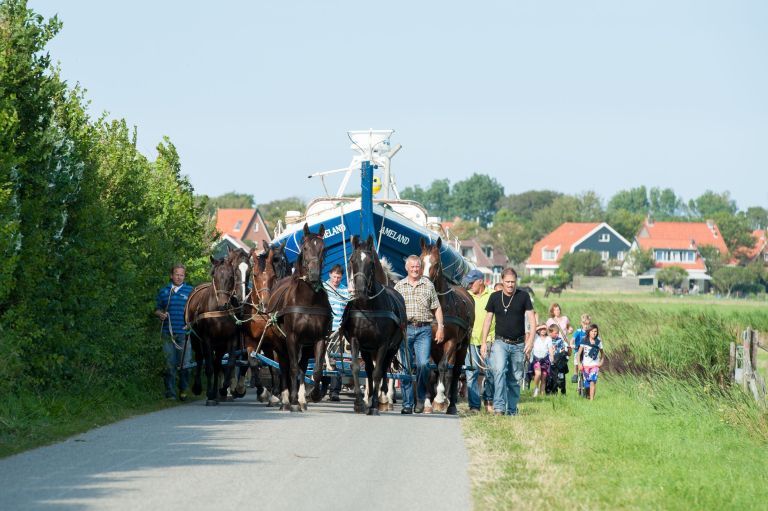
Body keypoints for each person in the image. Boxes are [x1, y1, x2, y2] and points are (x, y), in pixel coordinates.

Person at [479, 268, 535, 416]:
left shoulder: (523, 296)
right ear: (502, 281)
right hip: (500, 342)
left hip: (518, 344)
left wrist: (530, 341)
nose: (510, 285)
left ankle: (511, 409)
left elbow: (532, 320)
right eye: (507, 282)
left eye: (513, 282)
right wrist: (483, 342)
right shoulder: (495, 297)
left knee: (515, 378)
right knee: (498, 371)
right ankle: (498, 407)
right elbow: (488, 320)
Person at [394, 255, 444, 414]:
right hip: (405, 329)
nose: (415, 269)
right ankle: (407, 404)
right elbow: (393, 309)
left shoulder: (428, 285)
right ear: (406, 268)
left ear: (421, 268)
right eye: (412, 267)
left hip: (424, 329)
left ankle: (421, 397)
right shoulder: (399, 286)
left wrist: (441, 327)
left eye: (417, 267)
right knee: (406, 368)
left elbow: (436, 308)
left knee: (423, 364)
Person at [155, 263, 194, 400]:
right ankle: (170, 393)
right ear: (171, 275)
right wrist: (160, 314)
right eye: (176, 274)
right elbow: (157, 308)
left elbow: (196, 311)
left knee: (185, 365)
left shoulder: (190, 291)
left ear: (184, 276)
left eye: (181, 275)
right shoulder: (164, 291)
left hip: (184, 334)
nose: (179, 277)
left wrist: (190, 323)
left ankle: (183, 389)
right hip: (167, 334)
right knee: (168, 364)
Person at [461, 269, 494, 413]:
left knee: (490, 373)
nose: (469, 285)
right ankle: (474, 405)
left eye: (471, 282)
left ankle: (488, 401)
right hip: (471, 340)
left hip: (489, 339)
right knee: (471, 373)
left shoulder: (493, 295)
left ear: (480, 281)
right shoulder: (466, 296)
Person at [322, 264, 349, 401]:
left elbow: (348, 309)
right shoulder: (323, 288)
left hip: (338, 329)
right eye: (334, 277)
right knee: (322, 359)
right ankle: (322, 386)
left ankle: (334, 391)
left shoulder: (345, 290)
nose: (336, 280)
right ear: (330, 275)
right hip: (324, 329)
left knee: (337, 359)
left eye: (339, 277)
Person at [576, 323, 604, 400]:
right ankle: (588, 396)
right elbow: (578, 354)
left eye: (595, 331)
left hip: (594, 365)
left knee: (593, 381)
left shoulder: (598, 342)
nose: (594, 333)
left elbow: (602, 354)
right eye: (592, 331)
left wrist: (601, 362)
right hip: (585, 365)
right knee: (587, 384)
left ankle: (592, 400)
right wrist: (579, 364)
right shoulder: (584, 340)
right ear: (589, 332)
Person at [530, 324, 554, 397]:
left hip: (545, 359)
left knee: (544, 377)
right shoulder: (535, 337)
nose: (543, 330)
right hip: (537, 359)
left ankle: (542, 394)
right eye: (541, 329)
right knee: (538, 374)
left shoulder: (548, 338)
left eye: (544, 329)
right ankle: (536, 388)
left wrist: (552, 357)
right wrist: (540, 327)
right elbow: (533, 331)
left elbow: (550, 349)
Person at [547, 324, 569, 395]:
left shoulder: (560, 341)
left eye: (558, 333)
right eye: (555, 333)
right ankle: (553, 391)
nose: (557, 334)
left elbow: (563, 349)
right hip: (550, 362)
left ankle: (563, 391)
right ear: (550, 332)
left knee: (561, 379)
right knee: (552, 379)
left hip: (559, 362)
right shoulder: (547, 340)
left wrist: (563, 350)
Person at [571, 313, 591, 382]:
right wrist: (572, 344)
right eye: (584, 324)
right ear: (581, 323)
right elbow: (573, 339)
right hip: (578, 350)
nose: (586, 326)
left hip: (586, 350)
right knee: (577, 360)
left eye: (587, 324)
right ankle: (575, 373)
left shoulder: (590, 332)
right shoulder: (578, 331)